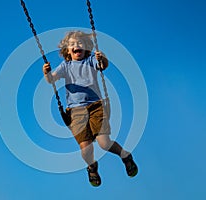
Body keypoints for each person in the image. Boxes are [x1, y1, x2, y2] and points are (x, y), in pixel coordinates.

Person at [42, 31, 138, 186]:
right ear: (67, 50)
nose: (76, 46)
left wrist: (102, 58)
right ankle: (92, 167)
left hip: (95, 107)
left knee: (104, 143)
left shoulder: (90, 59)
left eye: (80, 43)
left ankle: (125, 156)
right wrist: (46, 73)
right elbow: (51, 79)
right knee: (86, 150)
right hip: (75, 111)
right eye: (72, 44)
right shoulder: (65, 66)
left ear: (86, 47)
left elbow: (102, 66)